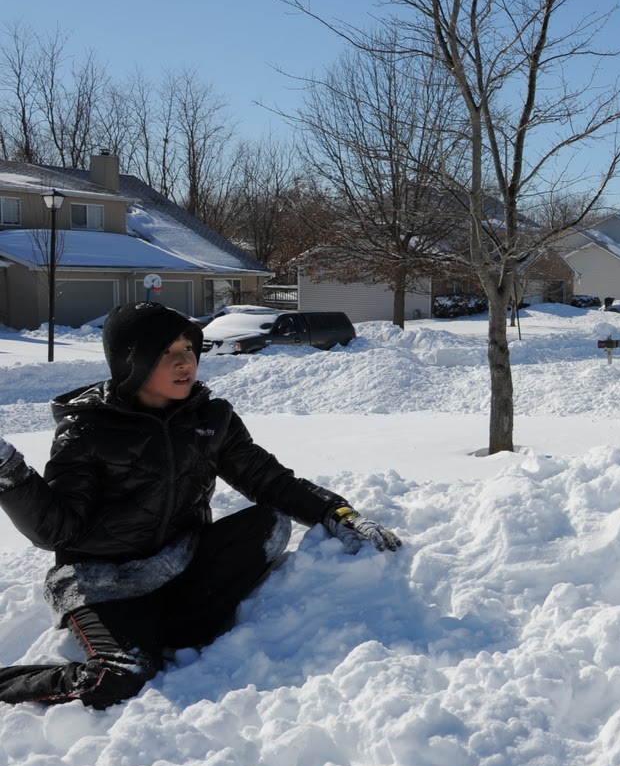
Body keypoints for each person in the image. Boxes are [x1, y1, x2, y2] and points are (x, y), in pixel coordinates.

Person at [0, 302, 402, 709]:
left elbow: (269, 480)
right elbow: (56, 530)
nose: (184, 362)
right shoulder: (87, 429)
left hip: (180, 564)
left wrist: (338, 513)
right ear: (131, 363)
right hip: (106, 584)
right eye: (167, 353)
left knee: (270, 522)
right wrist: (9, 473)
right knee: (118, 678)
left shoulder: (210, 418)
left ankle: (175, 629)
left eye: (189, 350)